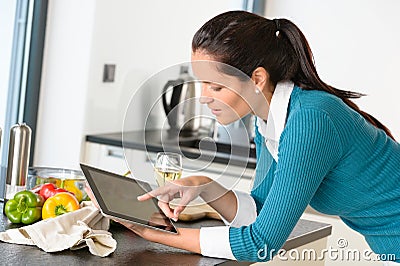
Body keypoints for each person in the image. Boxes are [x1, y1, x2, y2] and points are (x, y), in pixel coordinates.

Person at [119, 10, 400, 263]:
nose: (204, 98)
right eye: (201, 84)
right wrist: (204, 184)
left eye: (215, 86)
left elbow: (261, 243)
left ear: (256, 79)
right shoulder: (270, 119)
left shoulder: (310, 119)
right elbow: (259, 210)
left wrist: (156, 235)